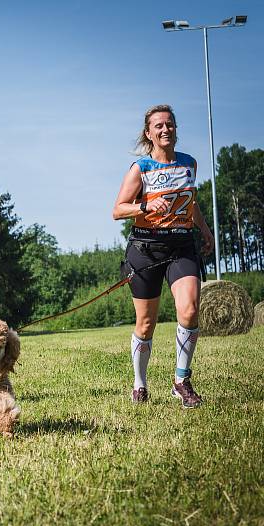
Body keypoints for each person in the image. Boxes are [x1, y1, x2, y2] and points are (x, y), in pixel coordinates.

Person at [112, 104, 213, 408]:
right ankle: (139, 384)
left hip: (182, 246)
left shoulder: (188, 164)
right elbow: (118, 209)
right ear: (149, 133)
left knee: (190, 309)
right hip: (146, 249)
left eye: (169, 124)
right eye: (158, 126)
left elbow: (190, 202)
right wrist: (143, 207)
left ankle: (181, 381)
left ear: (175, 128)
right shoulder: (140, 168)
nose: (165, 129)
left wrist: (205, 231)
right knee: (146, 323)